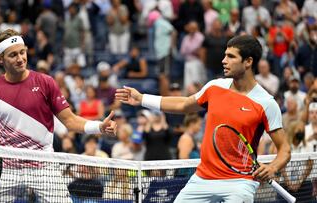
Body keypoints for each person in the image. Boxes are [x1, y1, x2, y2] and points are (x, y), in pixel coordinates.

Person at [115, 35, 291, 202]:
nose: (224, 61)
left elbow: (284, 149)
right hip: (202, 178)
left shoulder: (266, 103)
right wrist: (142, 98)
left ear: (248, 62)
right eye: (225, 55)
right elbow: (183, 105)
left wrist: (273, 167)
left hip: (240, 182)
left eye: (231, 56)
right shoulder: (214, 87)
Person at [0, 29, 117, 202]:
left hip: (43, 165)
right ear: (0, 59)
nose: (20, 59)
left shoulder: (45, 83)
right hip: (6, 167)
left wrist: (99, 126)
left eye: (22, 52)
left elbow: (70, 120)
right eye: (13, 55)